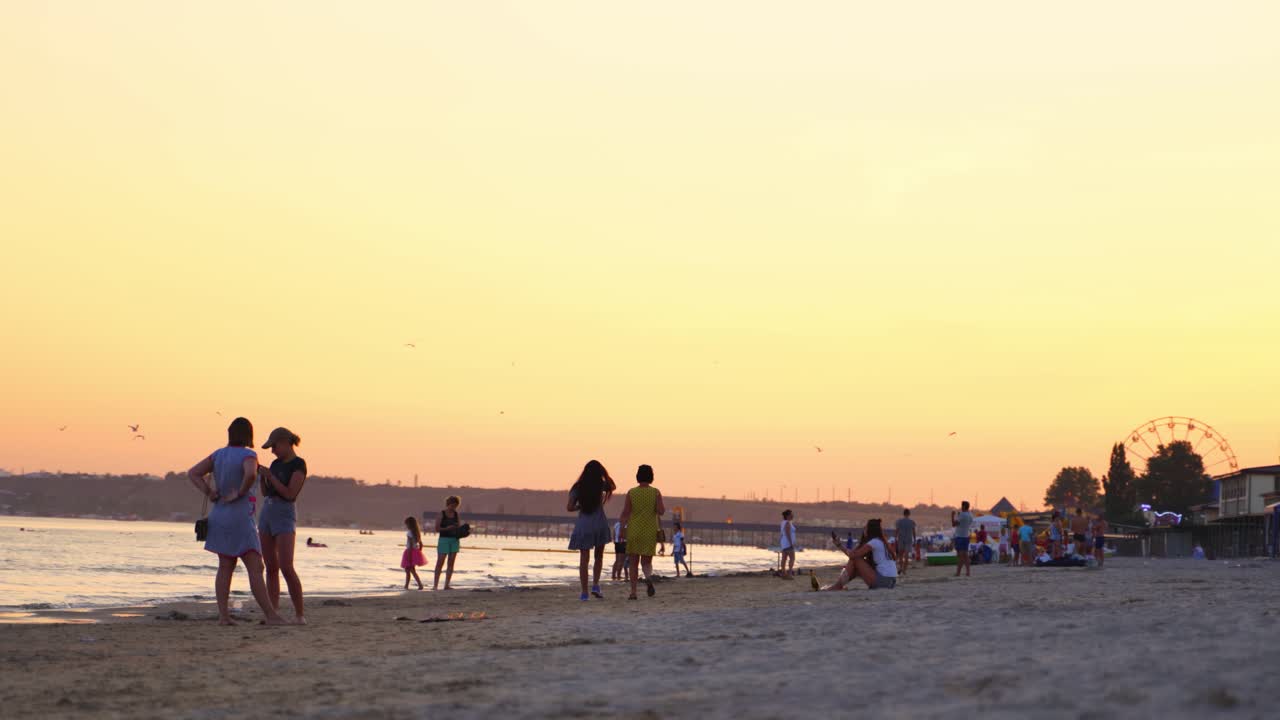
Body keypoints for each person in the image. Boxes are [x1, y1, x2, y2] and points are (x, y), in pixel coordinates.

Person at [186, 417, 289, 626]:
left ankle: (224, 616)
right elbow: (251, 474)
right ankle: (271, 615)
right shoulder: (249, 454)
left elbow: (193, 473)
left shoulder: (218, 455)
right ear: (249, 435)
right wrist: (240, 492)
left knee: (225, 567)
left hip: (219, 516)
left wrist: (210, 492)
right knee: (255, 567)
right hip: (240, 518)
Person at [257, 427, 307, 624]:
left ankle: (299, 614)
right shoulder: (275, 464)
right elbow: (266, 492)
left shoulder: (298, 464)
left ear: (286, 442)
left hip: (284, 513)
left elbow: (290, 493)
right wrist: (263, 477)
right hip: (267, 512)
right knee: (270, 567)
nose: (273, 451)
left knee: (286, 566)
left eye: (274, 446)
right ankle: (273, 612)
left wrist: (271, 477)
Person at [567, 460, 616, 601]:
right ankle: (595, 584)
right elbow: (613, 485)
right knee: (598, 557)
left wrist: (579, 507)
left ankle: (584, 593)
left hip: (584, 525)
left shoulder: (578, 487)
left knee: (584, 560)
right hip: (599, 524)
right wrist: (604, 473)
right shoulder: (602, 485)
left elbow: (569, 507)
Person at [620, 464, 665, 600]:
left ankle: (633, 592)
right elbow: (661, 511)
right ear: (651, 476)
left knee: (633, 563)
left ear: (638, 476)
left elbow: (625, 513)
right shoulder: (655, 492)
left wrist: (622, 528)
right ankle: (648, 578)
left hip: (634, 530)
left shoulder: (631, 492)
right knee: (646, 562)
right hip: (649, 531)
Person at [821, 519, 897, 590]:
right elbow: (853, 555)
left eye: (865, 527)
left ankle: (837, 586)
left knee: (856, 559)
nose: (864, 529)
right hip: (891, 582)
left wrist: (839, 545)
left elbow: (853, 556)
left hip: (884, 582)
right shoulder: (882, 542)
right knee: (855, 565)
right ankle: (839, 586)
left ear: (870, 530)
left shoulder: (874, 542)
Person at [434, 496, 462, 590]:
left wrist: (458, 528)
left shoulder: (456, 514)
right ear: (448, 504)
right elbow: (437, 528)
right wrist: (447, 528)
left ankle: (446, 585)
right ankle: (435, 585)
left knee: (451, 563)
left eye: (455, 506)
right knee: (440, 562)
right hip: (443, 540)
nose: (453, 508)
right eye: (452, 505)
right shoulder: (441, 514)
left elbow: (459, 526)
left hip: (454, 540)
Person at [402, 516, 426, 590]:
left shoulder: (409, 533)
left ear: (409, 524)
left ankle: (419, 585)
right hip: (414, 552)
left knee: (410, 570)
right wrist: (418, 553)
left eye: (406, 524)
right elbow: (421, 544)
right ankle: (406, 585)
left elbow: (410, 544)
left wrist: (409, 556)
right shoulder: (417, 532)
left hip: (409, 552)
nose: (406, 526)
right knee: (409, 570)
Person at [951, 501, 974, 577]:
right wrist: (959, 516)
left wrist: (952, 516)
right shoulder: (970, 515)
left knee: (960, 555)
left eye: (962, 506)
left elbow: (954, 524)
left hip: (960, 536)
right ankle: (968, 572)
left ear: (964, 507)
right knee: (965, 555)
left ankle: (958, 572)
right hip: (966, 536)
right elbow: (965, 522)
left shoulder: (962, 515)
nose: (961, 507)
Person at [894, 509, 916, 575]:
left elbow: (897, 530)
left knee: (900, 555)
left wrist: (895, 537)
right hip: (908, 539)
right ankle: (904, 570)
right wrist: (914, 539)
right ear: (909, 514)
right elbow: (913, 531)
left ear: (903, 514)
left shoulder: (899, 521)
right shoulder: (912, 522)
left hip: (901, 539)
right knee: (906, 555)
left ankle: (900, 567)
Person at [779, 510, 797, 578]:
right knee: (792, 558)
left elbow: (782, 534)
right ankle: (789, 574)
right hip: (788, 543)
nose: (792, 516)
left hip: (784, 543)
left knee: (784, 558)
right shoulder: (787, 523)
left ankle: (784, 573)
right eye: (791, 515)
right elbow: (787, 533)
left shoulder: (783, 523)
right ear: (787, 516)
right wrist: (791, 543)